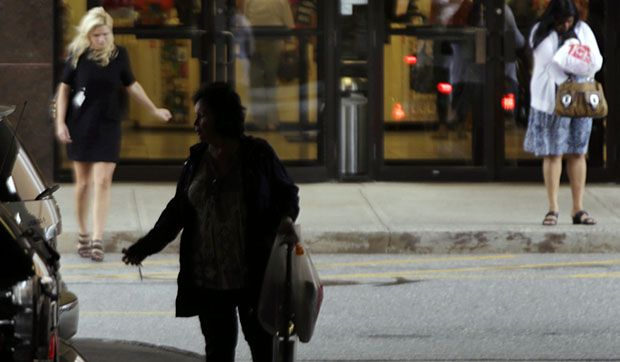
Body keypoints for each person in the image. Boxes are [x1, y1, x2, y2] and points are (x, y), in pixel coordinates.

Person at [121, 82, 300, 362]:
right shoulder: (196, 160)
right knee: (218, 352)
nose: (195, 123)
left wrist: (282, 220)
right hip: (209, 280)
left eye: (202, 116)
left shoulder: (256, 155)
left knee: (263, 349)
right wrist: (145, 246)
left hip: (251, 277)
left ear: (223, 117)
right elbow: (177, 212)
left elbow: (288, 194)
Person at [54, 7, 172, 262]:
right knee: (83, 183)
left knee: (103, 181)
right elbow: (63, 89)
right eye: (96, 35)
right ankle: (83, 233)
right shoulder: (78, 54)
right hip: (80, 124)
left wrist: (154, 109)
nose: (102, 39)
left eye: (106, 34)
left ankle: (97, 237)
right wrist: (60, 123)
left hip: (108, 125)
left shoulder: (119, 55)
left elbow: (132, 85)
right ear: (88, 35)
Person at [522, 0, 602, 226]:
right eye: (560, 22)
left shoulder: (583, 30)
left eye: (569, 21)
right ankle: (553, 209)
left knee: (577, 152)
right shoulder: (540, 32)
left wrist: (573, 53)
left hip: (579, 102)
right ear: (551, 18)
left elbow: (595, 62)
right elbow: (550, 66)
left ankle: (578, 209)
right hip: (551, 102)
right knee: (553, 153)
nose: (565, 26)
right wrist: (574, 67)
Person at [244, 0, 295, 131]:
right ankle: (272, 121)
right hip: (273, 40)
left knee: (255, 81)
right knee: (271, 81)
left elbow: (245, 20)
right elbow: (288, 24)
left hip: (254, 40)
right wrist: (291, 41)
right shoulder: (281, 1)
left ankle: (259, 120)